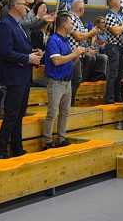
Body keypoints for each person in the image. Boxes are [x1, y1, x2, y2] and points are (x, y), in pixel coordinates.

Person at [0, 0, 42, 159]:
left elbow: (20, 49)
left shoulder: (18, 25)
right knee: (11, 115)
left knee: (19, 114)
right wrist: (28, 58)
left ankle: (17, 148)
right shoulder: (5, 25)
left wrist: (32, 53)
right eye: (24, 4)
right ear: (15, 6)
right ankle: (0, 151)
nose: (27, 7)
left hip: (23, 76)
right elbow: (6, 52)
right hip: (14, 77)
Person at [43, 13, 85, 149]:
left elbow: (68, 60)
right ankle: (47, 141)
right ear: (64, 24)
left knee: (65, 112)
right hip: (56, 81)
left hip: (67, 81)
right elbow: (56, 61)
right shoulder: (53, 40)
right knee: (52, 112)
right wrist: (74, 54)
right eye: (70, 23)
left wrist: (77, 55)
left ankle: (61, 138)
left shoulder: (66, 40)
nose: (72, 25)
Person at [68, 0, 102, 104]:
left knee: (77, 79)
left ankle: (70, 100)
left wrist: (87, 49)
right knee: (75, 79)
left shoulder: (77, 19)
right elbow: (78, 36)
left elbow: (81, 39)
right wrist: (91, 33)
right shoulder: (71, 18)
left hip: (79, 53)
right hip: (72, 53)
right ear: (80, 8)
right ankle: (69, 101)